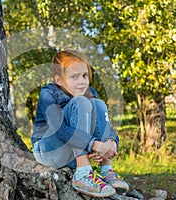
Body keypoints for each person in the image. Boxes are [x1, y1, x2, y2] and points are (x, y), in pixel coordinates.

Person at [31, 50, 129, 197]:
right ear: (59, 80)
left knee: (98, 104)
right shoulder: (48, 93)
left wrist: (112, 142)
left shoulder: (89, 91)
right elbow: (60, 130)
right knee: (81, 102)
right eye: (74, 77)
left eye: (84, 76)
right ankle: (82, 174)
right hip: (48, 151)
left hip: (72, 155)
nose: (82, 81)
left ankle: (106, 170)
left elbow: (102, 121)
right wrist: (94, 145)